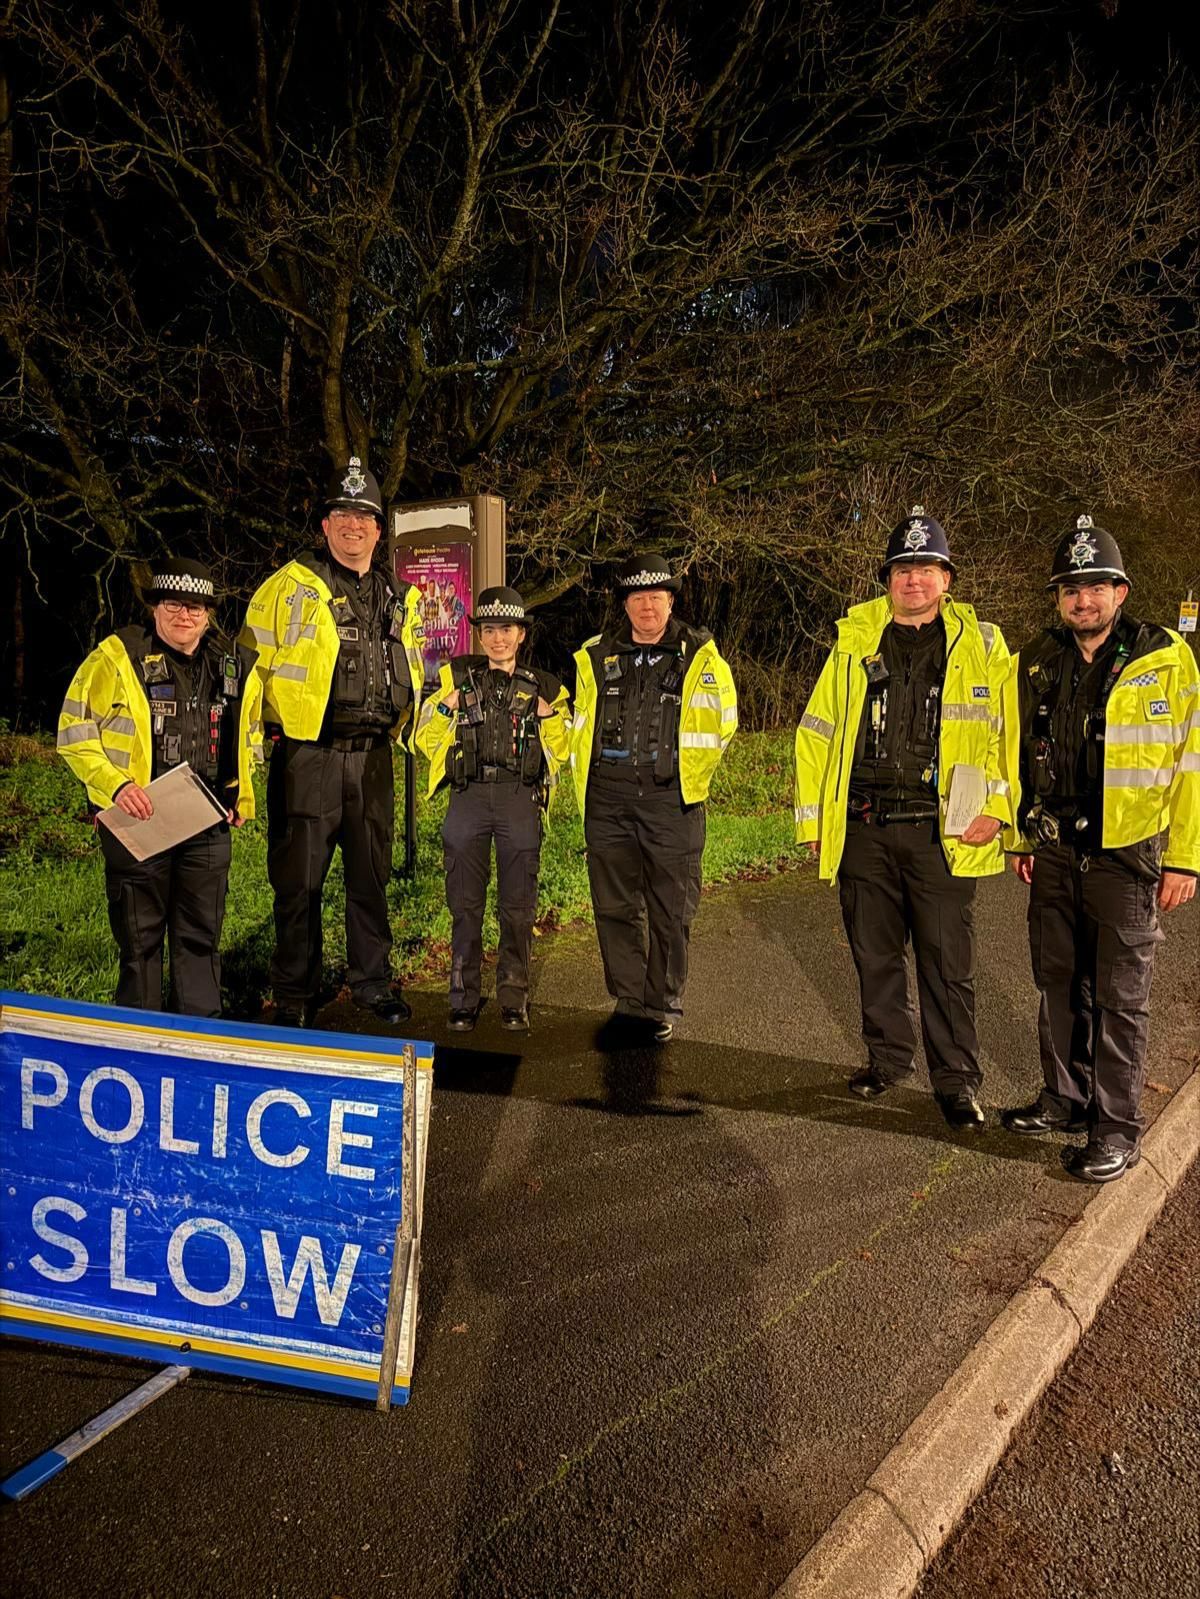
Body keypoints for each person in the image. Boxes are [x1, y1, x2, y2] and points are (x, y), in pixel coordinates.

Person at [793, 507, 1011, 1130]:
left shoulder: (984, 645)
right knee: (875, 953)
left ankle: (958, 1082)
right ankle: (887, 1059)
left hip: (941, 830)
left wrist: (997, 806)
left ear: (947, 578)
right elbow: (815, 733)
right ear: (888, 578)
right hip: (864, 825)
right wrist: (814, 819)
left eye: (925, 568)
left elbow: (1008, 737)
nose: (913, 580)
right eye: (901, 569)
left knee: (947, 961)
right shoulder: (853, 641)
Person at [998, 516, 1199, 1181]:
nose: (1083, 599)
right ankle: (1065, 1097)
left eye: (1095, 586)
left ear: (1121, 589)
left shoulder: (1163, 658)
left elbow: (1191, 762)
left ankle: (1115, 1128)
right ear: (1058, 597)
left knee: (1119, 997)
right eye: (1071, 588)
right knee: (1057, 983)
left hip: (1128, 857)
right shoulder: (1035, 659)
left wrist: (1185, 856)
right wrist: (1023, 833)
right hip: (1054, 851)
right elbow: (1016, 753)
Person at [241, 456, 425, 1027]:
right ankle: (296, 991)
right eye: (343, 515)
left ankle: (371, 981)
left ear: (378, 529)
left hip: (372, 757)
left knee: (371, 877)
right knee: (299, 883)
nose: (354, 526)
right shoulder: (287, 588)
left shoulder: (400, 596)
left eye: (364, 517)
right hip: (307, 757)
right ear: (324, 525)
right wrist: (241, 768)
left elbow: (415, 672)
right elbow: (248, 679)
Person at [57, 557, 262, 1016]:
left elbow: (247, 734)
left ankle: (199, 1046)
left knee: (200, 943)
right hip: (138, 820)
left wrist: (241, 794)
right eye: (172, 603)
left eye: (194, 606)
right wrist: (115, 786)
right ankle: (139, 1048)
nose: (183, 615)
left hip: (207, 821)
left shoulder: (232, 663)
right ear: (154, 607)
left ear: (209, 613)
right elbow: (73, 730)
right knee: (140, 945)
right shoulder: (116, 656)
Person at [569, 552, 738, 1042]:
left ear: (671, 600)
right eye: (638, 596)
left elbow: (724, 721)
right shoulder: (596, 654)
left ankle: (661, 1001)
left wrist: (691, 776)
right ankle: (628, 998)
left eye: (656, 596)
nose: (648, 606)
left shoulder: (700, 654)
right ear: (625, 603)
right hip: (609, 797)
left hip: (671, 800)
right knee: (615, 904)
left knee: (671, 906)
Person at [415, 587, 570, 1031]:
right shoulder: (454, 679)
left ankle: (513, 996)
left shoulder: (546, 687)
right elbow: (423, 741)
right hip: (469, 797)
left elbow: (564, 754)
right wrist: (446, 710)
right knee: (465, 903)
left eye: (506, 629)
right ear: (479, 636)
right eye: (489, 630)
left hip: (519, 799)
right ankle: (462, 998)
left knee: (518, 905)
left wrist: (549, 718)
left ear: (521, 634)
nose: (498, 638)